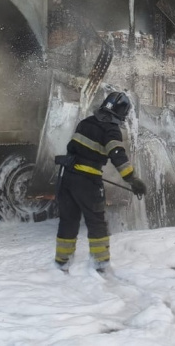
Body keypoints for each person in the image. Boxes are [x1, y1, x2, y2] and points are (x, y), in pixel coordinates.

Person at [54, 91, 146, 274]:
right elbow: (118, 156)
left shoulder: (85, 122)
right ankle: (100, 264)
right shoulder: (111, 130)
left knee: (68, 221)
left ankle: (62, 262)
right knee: (96, 222)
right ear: (121, 112)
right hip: (88, 183)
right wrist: (132, 179)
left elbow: (75, 149)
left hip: (67, 179)